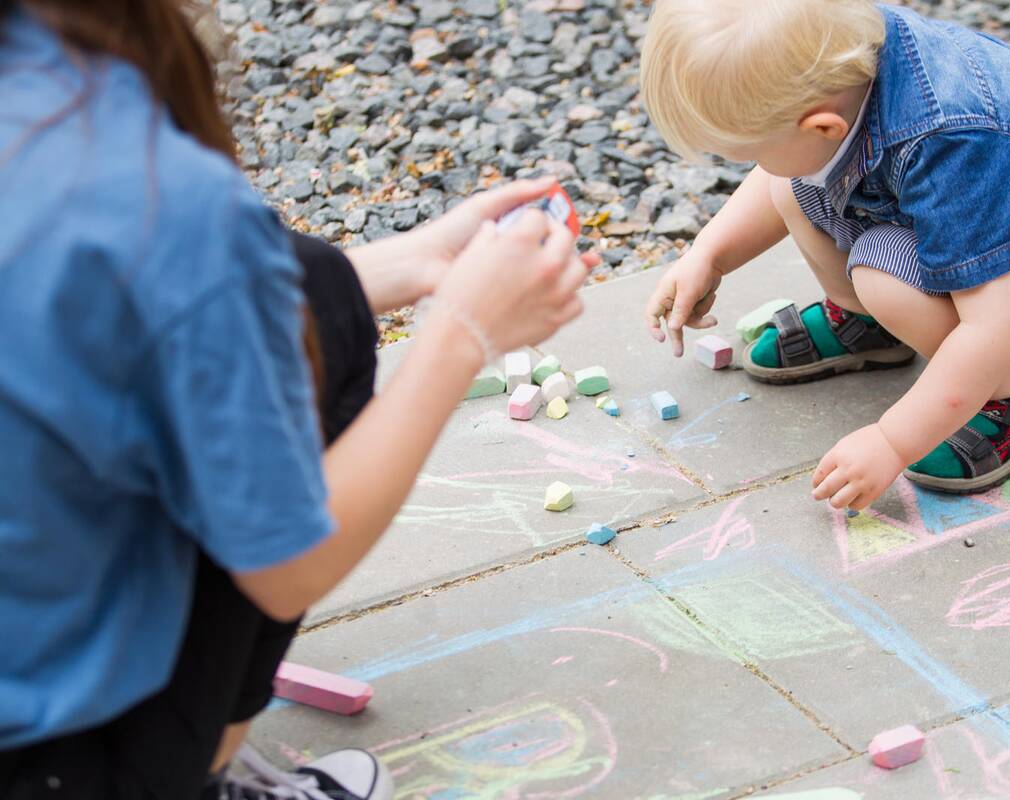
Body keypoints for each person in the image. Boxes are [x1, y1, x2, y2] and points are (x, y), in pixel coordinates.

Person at [0, 1, 593, 798]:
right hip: (53, 764)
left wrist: (413, 262)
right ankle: (194, 778)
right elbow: (287, 566)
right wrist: (462, 334)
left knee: (314, 287)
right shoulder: (161, 195)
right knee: (301, 337)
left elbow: (117, 307)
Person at [639, 0, 1010, 506]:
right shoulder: (839, 51)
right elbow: (777, 176)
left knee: (881, 268)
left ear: (823, 126)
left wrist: (891, 441)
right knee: (789, 184)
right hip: (970, 240)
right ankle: (870, 325)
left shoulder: (957, 138)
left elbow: (997, 327)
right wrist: (708, 255)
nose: (755, 162)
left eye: (753, 151)